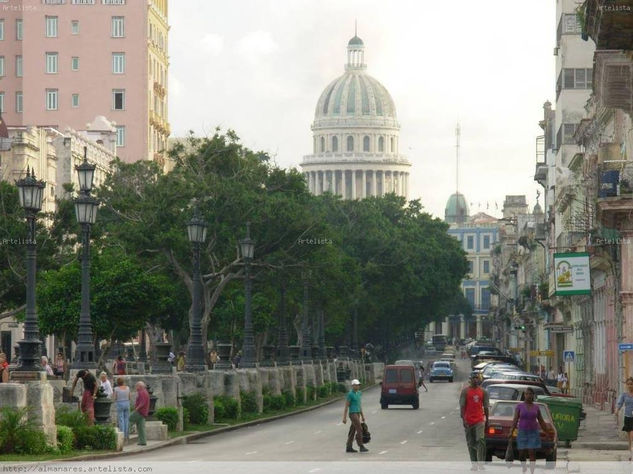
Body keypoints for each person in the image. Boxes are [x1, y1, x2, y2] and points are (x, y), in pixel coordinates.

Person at [509, 387, 552, 474]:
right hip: (522, 432)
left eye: (530, 394)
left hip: (533, 433)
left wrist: (547, 432)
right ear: (524, 395)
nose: (528, 395)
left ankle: (532, 472)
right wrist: (511, 431)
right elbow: (515, 420)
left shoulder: (536, 407)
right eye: (527, 394)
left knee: (532, 452)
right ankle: (524, 467)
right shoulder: (519, 406)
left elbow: (541, 421)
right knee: (521, 454)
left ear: (533, 396)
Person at [460, 373, 489, 471]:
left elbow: (486, 407)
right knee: (471, 443)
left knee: (481, 440)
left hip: (479, 420)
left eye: (477, 378)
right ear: (470, 379)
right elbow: (462, 407)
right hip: (468, 421)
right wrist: (463, 419)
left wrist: (487, 420)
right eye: (474, 378)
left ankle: (481, 463)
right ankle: (474, 464)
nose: (475, 380)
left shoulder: (483, 392)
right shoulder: (465, 392)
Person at [342, 379, 368, 453]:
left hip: (358, 413)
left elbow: (359, 405)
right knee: (359, 428)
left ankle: (349, 446)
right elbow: (346, 406)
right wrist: (344, 417)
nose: (357, 386)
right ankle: (361, 445)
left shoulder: (359, 393)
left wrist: (362, 415)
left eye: (358, 385)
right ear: (352, 386)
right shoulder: (350, 394)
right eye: (356, 385)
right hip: (352, 413)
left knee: (353, 430)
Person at [615, 377, 633, 460]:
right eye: (628, 384)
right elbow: (620, 403)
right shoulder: (624, 395)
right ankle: (630, 452)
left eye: (631, 384)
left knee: (632, 435)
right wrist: (617, 410)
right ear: (626, 385)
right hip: (628, 417)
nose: (630, 386)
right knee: (629, 437)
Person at [130, 381, 150, 446]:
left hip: (140, 411)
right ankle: (142, 441)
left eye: (136, 386)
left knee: (129, 419)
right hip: (144, 412)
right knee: (141, 427)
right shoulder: (145, 392)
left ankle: (124, 434)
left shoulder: (142, 392)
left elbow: (142, 402)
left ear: (139, 386)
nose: (136, 387)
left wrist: (137, 408)